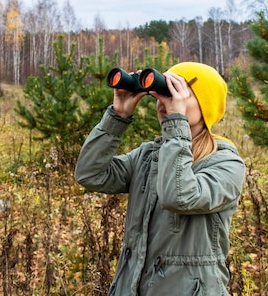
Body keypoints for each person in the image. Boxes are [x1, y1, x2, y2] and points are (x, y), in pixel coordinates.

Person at [75, 62, 246, 295]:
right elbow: (90, 174)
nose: (166, 101)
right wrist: (118, 116)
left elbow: (180, 197)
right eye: (165, 91)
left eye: (179, 93)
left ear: (206, 106)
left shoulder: (226, 164)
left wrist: (177, 122)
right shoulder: (149, 156)